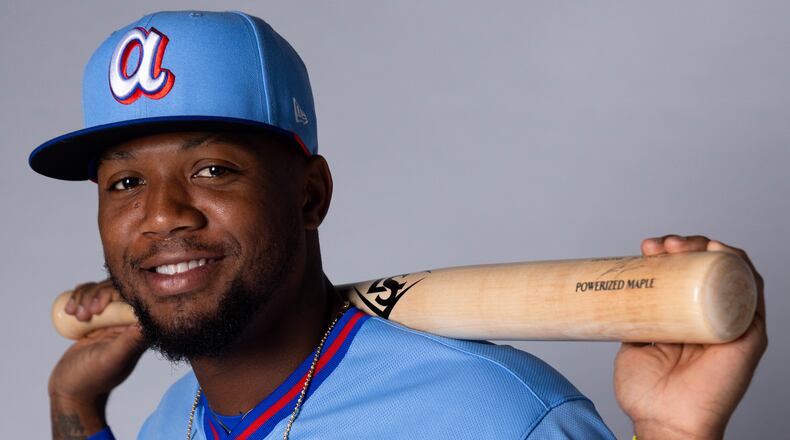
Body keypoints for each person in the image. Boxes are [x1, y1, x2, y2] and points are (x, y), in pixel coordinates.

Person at [33, 11, 766, 440]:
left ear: (310, 196)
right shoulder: (171, 423)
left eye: (213, 170)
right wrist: (75, 408)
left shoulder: (495, 414)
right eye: (125, 182)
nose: (161, 214)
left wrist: (673, 437)